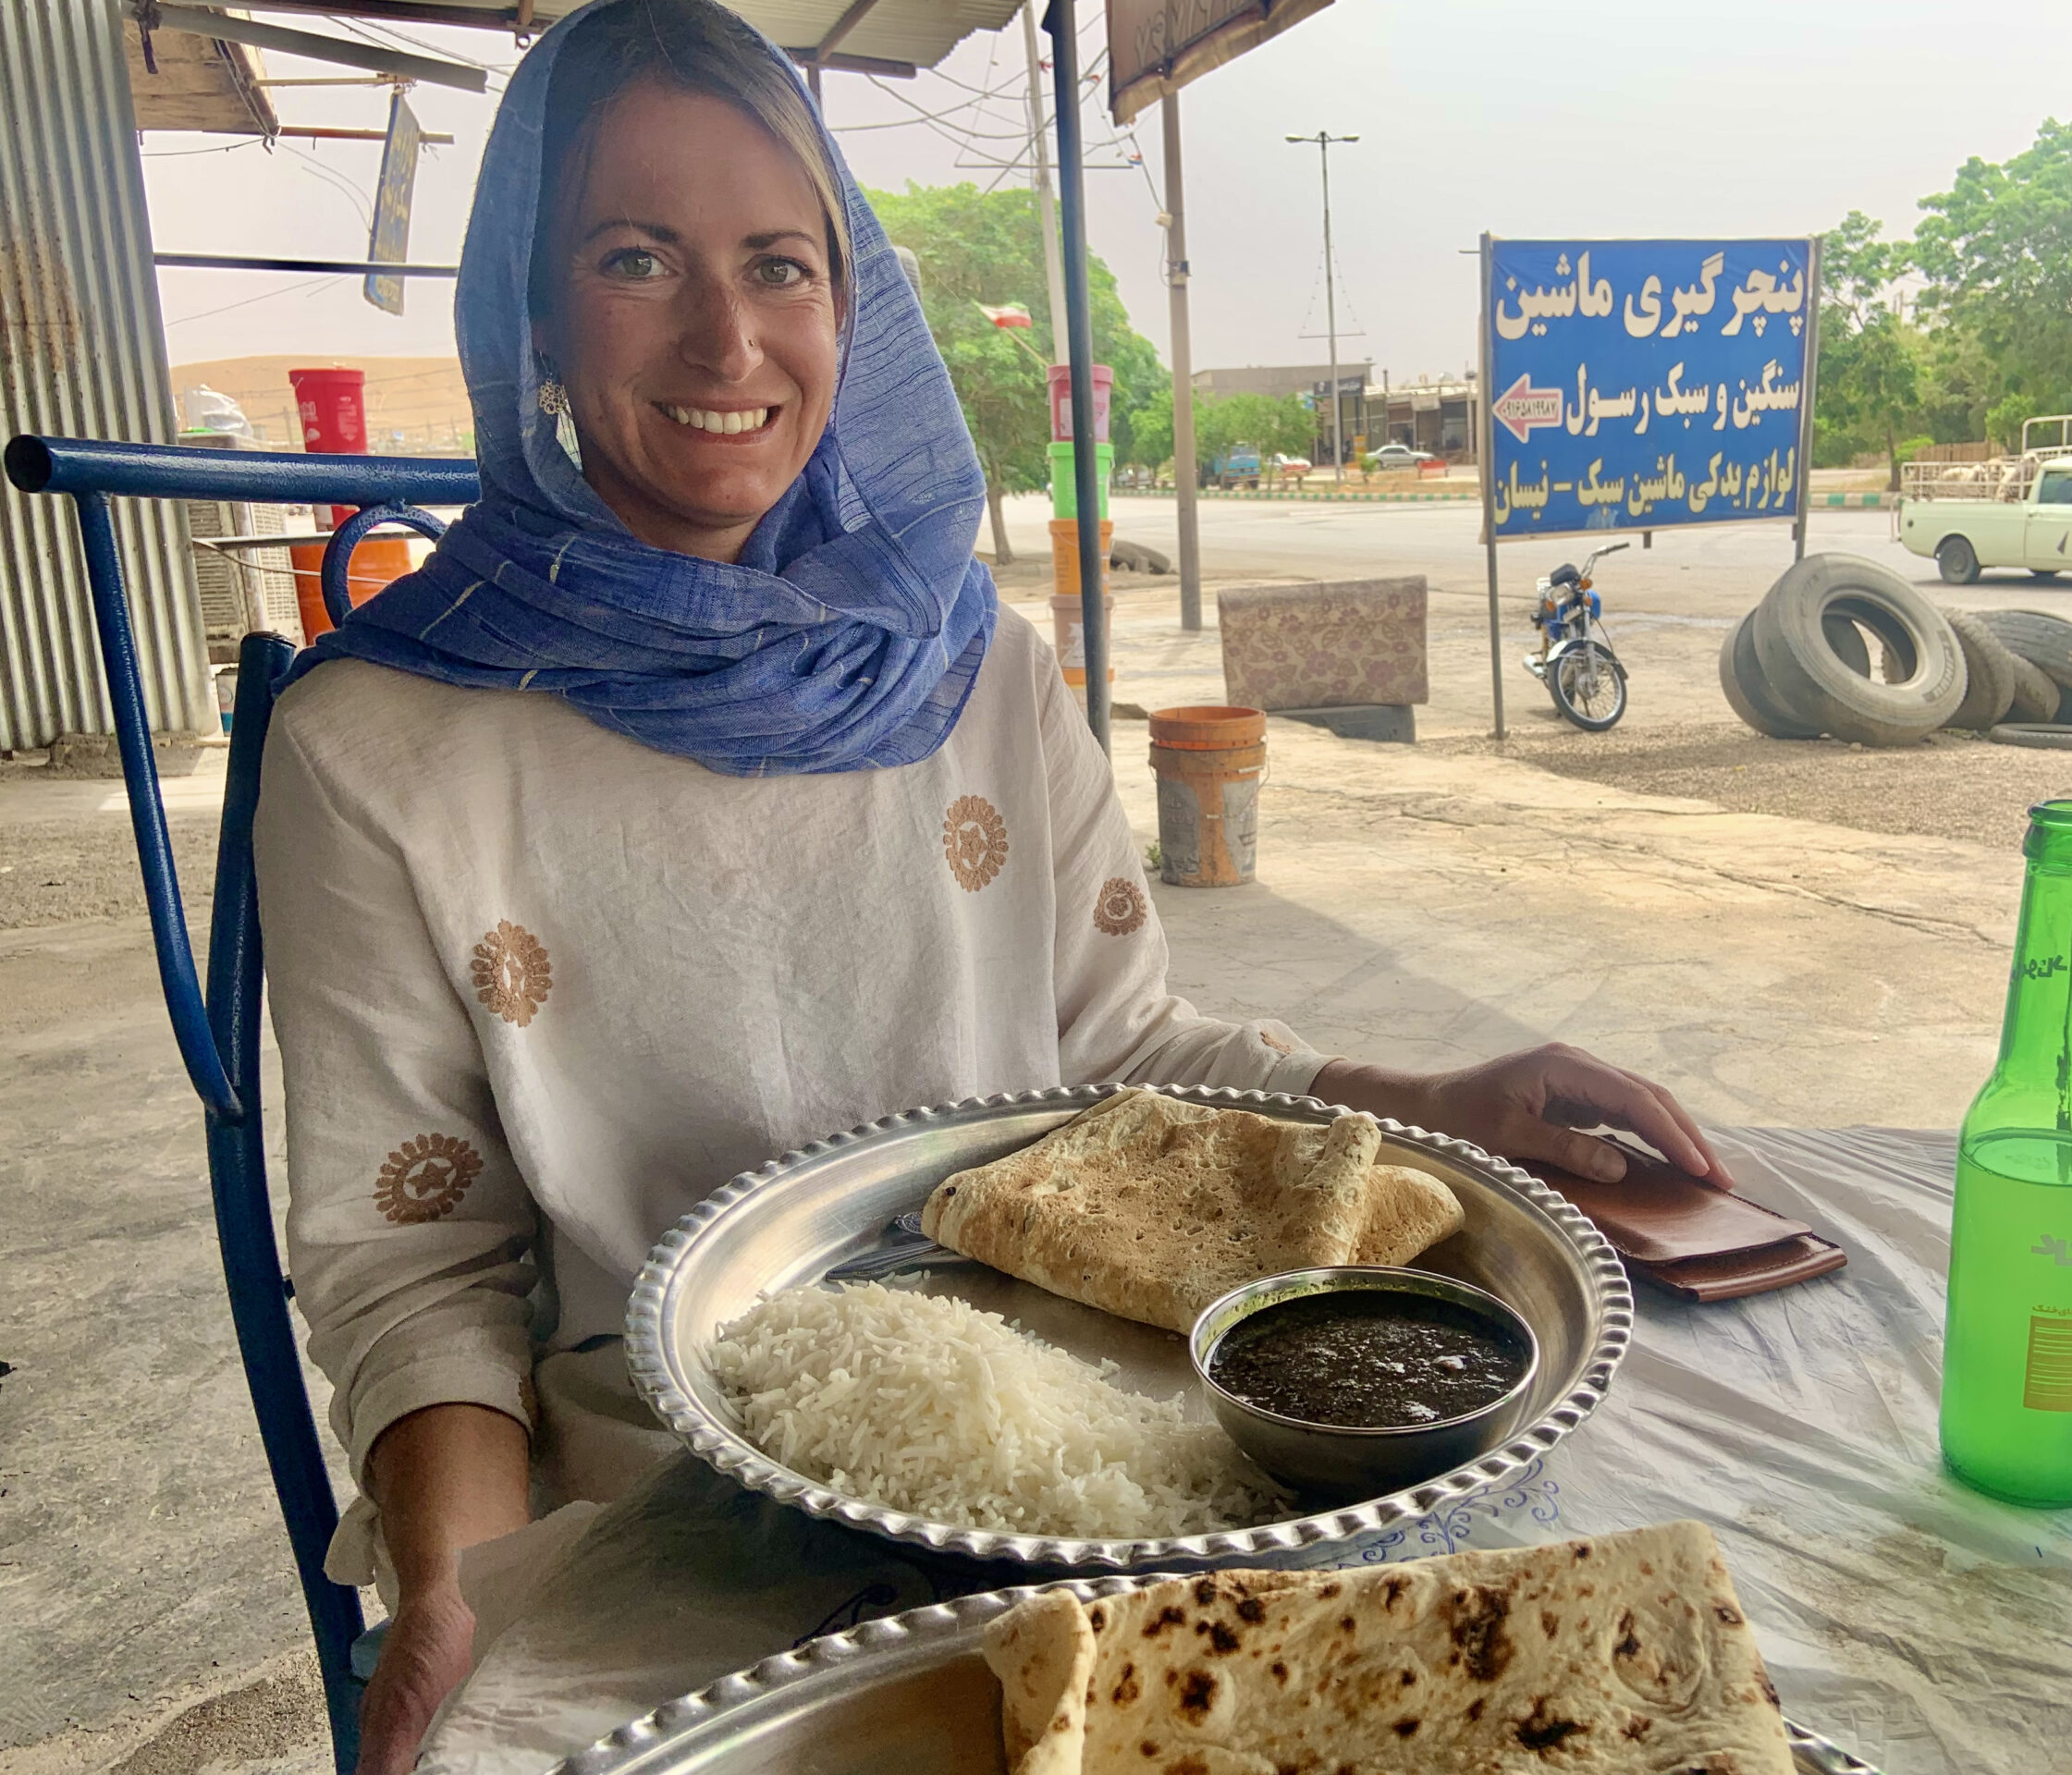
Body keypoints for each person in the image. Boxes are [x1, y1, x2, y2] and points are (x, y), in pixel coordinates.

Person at [251, 3, 1731, 1767]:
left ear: (847, 305)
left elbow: (1123, 1054)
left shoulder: (974, 669)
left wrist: (1432, 1105)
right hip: (676, 1517)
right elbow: (418, 1272)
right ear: (533, 314)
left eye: (780, 263)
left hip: (1085, 1441)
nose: (729, 334)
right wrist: (455, 1596)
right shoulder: (379, 742)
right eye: (635, 257)